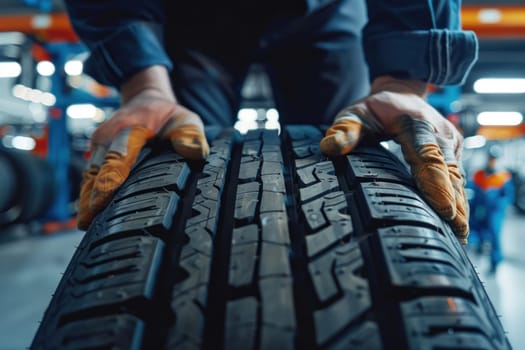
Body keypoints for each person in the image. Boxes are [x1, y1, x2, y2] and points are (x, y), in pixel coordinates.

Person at [64, 0, 477, 244]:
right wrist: (145, 86)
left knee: (342, 152)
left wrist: (401, 82)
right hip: (193, 15)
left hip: (324, 10)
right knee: (183, 160)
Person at [468, 148, 514, 273]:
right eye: (491, 158)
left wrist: (499, 204)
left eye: (495, 159)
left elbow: (508, 196)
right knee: (476, 231)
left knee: (494, 235)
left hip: (495, 212)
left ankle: (495, 262)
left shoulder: (503, 176)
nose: (492, 161)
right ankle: (476, 255)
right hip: (478, 210)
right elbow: (470, 189)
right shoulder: (478, 174)